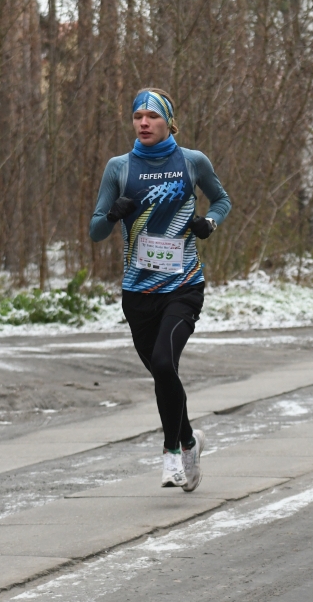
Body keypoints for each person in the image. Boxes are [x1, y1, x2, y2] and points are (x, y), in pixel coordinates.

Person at [90, 88, 231, 491]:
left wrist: (209, 223)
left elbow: (221, 201)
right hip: (138, 293)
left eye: (152, 116)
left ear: (169, 122)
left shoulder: (192, 161)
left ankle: (172, 453)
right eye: (138, 116)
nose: (144, 123)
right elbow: (96, 231)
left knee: (165, 365)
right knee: (162, 374)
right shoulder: (119, 168)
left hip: (183, 285)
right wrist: (112, 214)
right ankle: (190, 440)